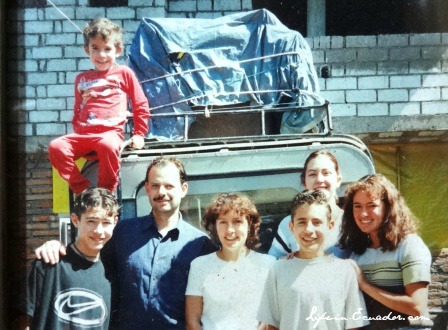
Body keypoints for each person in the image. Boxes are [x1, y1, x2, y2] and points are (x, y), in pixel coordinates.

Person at [36, 156, 217, 329]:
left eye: (169, 186)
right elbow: (87, 259)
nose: (162, 192)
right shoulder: (122, 232)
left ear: (183, 188)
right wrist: (58, 247)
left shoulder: (200, 245)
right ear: (147, 189)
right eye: (155, 185)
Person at [48, 18, 150, 194]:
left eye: (107, 49)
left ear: (117, 50)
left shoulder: (124, 73)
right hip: (84, 134)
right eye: (95, 48)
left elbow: (140, 103)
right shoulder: (82, 79)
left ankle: (105, 192)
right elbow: (78, 109)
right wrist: (78, 131)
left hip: (109, 135)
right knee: (56, 146)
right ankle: (83, 189)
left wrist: (139, 133)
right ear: (87, 50)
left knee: (108, 146)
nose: (101, 55)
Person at [258, 190, 369, 330]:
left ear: (330, 227)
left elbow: (353, 326)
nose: (309, 230)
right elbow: (271, 325)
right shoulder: (278, 269)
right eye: (302, 222)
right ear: (292, 227)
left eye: (316, 222)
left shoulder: (345, 271)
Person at [339, 174, 432, 330]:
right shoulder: (357, 252)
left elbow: (417, 308)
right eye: (357, 206)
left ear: (388, 207)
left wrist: (365, 285)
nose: (363, 214)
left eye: (371, 205)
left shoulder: (409, 245)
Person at [26, 188, 119, 329]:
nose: (99, 230)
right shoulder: (49, 264)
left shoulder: (112, 273)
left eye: (106, 222)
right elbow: (24, 320)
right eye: (91, 221)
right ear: (76, 220)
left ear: (115, 222)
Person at [185, 193, 275, 330]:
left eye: (237, 221)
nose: (230, 230)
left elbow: (272, 320)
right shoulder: (199, 265)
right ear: (214, 226)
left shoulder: (268, 264)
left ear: (249, 225)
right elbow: (192, 322)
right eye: (223, 222)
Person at [268, 150, 347, 259]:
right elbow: (272, 262)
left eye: (326, 173)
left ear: (338, 180)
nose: (319, 179)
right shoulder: (289, 224)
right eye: (312, 174)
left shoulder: (351, 222)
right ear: (304, 181)